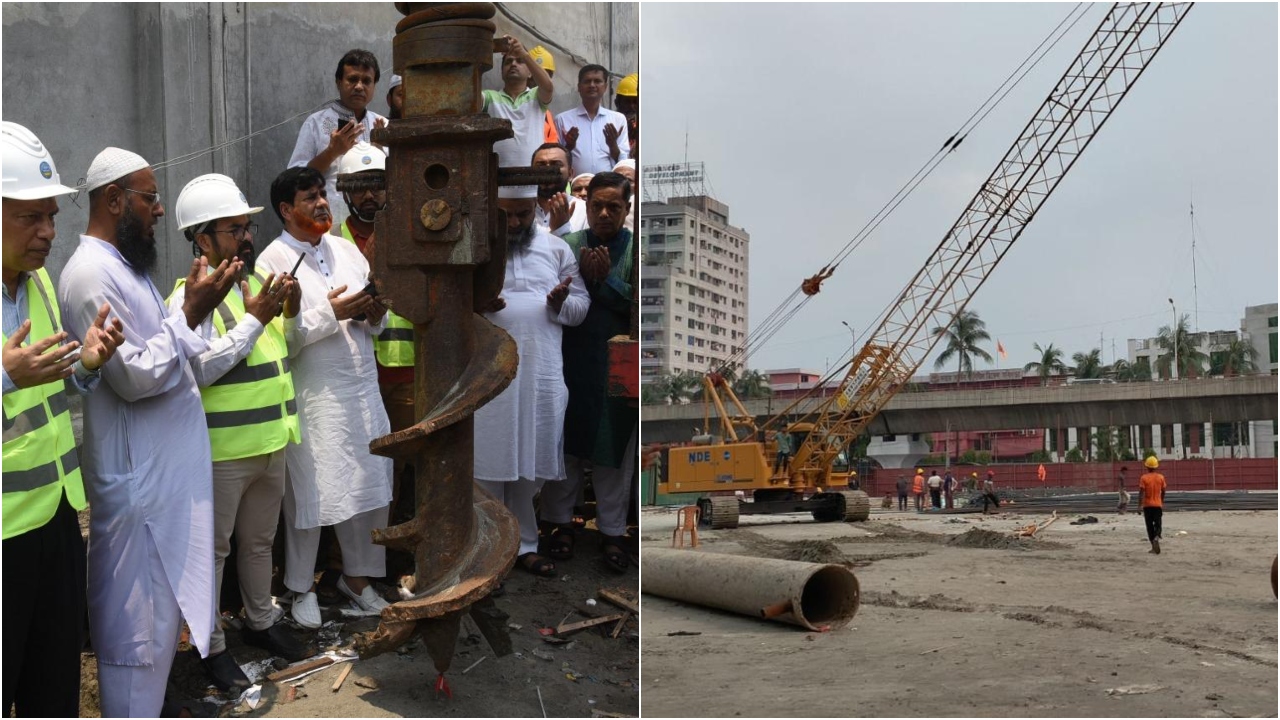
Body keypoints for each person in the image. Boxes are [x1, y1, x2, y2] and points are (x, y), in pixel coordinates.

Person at [58, 147, 240, 716]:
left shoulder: (125, 267)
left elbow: (172, 358)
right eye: (151, 197)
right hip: (137, 490)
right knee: (135, 634)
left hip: (158, 484)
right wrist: (189, 314)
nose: (160, 210)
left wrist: (195, 313)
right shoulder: (90, 273)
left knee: (158, 630)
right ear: (115, 200)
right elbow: (134, 377)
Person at [166, 174, 310, 690]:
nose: (247, 237)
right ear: (202, 240)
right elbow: (198, 370)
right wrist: (253, 320)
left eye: (248, 227)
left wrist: (284, 310)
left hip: (271, 443)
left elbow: (279, 352)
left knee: (258, 543)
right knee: (214, 552)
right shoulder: (189, 300)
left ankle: (261, 621)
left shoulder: (251, 285)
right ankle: (213, 645)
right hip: (223, 453)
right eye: (233, 229)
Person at [2, 122, 125, 718]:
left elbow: (51, 389)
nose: (49, 231)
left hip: (55, 517)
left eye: (50, 215)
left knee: (54, 686)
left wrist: (88, 366)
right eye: (30, 217)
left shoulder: (41, 282)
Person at [255, 167, 393, 628]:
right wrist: (330, 314)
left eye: (322, 194)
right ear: (285, 210)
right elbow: (280, 340)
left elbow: (377, 324)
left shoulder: (349, 251)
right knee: (311, 492)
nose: (321, 203)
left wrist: (374, 312)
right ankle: (300, 588)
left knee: (367, 483)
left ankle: (357, 581)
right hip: (313, 394)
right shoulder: (271, 262)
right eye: (309, 197)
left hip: (361, 386)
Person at [475, 185, 589, 577]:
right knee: (488, 462)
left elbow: (580, 309)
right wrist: (479, 305)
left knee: (531, 467)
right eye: (506, 215)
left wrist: (559, 303)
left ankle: (524, 544)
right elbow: (450, 304)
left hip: (540, 369)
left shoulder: (557, 248)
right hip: (488, 372)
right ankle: (488, 553)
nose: (515, 223)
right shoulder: (476, 245)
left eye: (523, 214)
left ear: (535, 209)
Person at [540, 172, 636, 575]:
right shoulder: (568, 245)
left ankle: (613, 532)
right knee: (568, 447)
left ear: (627, 210)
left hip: (619, 364)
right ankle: (561, 525)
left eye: (614, 207)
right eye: (596, 205)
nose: (604, 214)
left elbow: (636, 300)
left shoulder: (636, 249)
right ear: (587, 205)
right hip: (571, 360)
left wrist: (605, 279)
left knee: (615, 453)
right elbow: (552, 297)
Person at [333, 144, 416, 519]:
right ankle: (346, 562)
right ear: (346, 192)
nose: (369, 195)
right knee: (354, 464)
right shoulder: (332, 243)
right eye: (360, 187)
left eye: (377, 185)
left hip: (409, 373)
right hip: (355, 372)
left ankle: (387, 555)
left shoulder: (413, 233)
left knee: (400, 464)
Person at [288, 49, 387, 228]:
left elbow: (399, 183)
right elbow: (294, 180)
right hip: (329, 225)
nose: (359, 86)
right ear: (339, 82)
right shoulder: (316, 123)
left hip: (377, 226)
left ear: (374, 86)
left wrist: (379, 153)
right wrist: (332, 152)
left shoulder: (382, 125)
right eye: (352, 79)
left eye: (366, 81)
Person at [483, 36, 554, 169]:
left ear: (530, 73)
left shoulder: (536, 96)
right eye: (508, 62)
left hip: (533, 183)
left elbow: (548, 87)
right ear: (502, 72)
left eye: (519, 61)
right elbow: (471, 96)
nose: (513, 64)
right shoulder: (489, 97)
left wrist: (525, 55)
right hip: (498, 183)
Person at [555, 65, 629, 175]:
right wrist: (569, 146)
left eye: (597, 81)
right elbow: (556, 159)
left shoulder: (618, 119)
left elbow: (624, 161)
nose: (592, 85)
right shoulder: (562, 119)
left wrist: (613, 145)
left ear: (605, 87)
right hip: (576, 187)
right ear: (579, 87)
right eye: (587, 81)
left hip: (608, 186)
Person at [531, 143, 586, 237]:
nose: (548, 170)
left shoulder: (585, 211)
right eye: (541, 165)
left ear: (570, 174)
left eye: (556, 164)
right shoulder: (520, 211)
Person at [528, 45, 559, 144]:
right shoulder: (514, 106)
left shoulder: (547, 114)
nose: (539, 81)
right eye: (535, 76)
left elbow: (552, 143)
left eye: (544, 76)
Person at [1138, 456, 1166, 554]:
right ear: (1156, 467)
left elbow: (1141, 493)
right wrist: (1161, 501)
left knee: (1149, 526)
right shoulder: (1161, 477)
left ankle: (1153, 546)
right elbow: (1163, 491)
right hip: (1157, 505)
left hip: (1147, 506)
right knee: (1158, 524)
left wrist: (1139, 505)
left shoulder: (1144, 478)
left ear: (1147, 467)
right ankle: (1157, 536)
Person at [614, 72, 638, 158]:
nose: (632, 106)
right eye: (627, 102)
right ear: (617, 103)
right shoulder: (609, 126)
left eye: (635, 102)